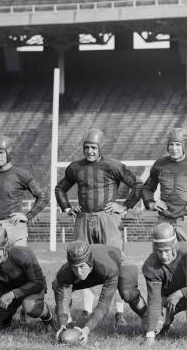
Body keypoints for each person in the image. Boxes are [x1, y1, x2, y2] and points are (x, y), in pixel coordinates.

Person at [55, 128, 143, 325]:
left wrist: (125, 206)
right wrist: (67, 208)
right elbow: (60, 188)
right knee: (79, 261)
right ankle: (85, 310)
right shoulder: (75, 167)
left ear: (100, 147)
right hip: (84, 217)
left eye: (93, 147)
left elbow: (138, 184)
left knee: (115, 262)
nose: (90, 151)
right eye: (86, 147)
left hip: (107, 218)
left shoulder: (113, 165)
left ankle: (119, 313)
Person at [52, 240, 147, 344]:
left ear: (89, 261)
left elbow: (104, 304)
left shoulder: (108, 267)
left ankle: (147, 317)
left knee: (127, 292)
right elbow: (63, 300)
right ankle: (68, 324)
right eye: (74, 268)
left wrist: (87, 328)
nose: (78, 272)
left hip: (118, 261)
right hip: (94, 271)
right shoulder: (65, 272)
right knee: (58, 285)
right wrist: (62, 323)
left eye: (81, 266)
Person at [142, 223, 187, 346]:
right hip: (168, 301)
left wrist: (181, 293)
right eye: (159, 252)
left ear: (174, 246)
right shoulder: (150, 265)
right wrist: (149, 335)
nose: (163, 256)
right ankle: (166, 321)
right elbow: (154, 300)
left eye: (166, 251)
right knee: (155, 328)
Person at [0, 136, 47, 247]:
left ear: (9, 153)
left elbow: (42, 197)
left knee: (19, 261)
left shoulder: (22, 174)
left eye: (1, 152)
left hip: (15, 227)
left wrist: (28, 216)